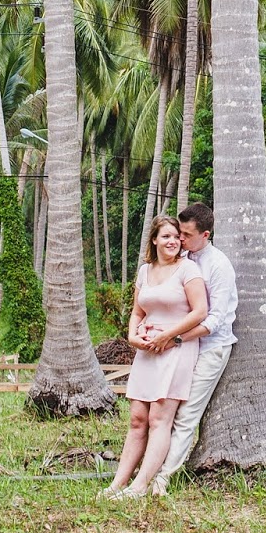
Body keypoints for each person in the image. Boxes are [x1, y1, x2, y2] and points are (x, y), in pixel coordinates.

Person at [104, 215, 207, 498]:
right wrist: (132, 335)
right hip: (146, 350)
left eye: (176, 236)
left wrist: (168, 336)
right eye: (166, 236)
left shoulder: (188, 269)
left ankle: (140, 486)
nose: (173, 241)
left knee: (159, 419)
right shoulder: (145, 271)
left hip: (176, 347)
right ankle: (118, 483)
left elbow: (200, 312)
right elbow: (138, 311)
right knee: (138, 418)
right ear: (154, 240)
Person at [149, 201, 237, 495]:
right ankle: (150, 468)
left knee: (187, 415)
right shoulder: (183, 258)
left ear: (206, 235)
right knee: (165, 410)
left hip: (210, 347)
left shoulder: (219, 266)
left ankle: (162, 479)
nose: (180, 239)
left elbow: (215, 320)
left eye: (186, 234)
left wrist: (174, 338)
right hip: (183, 346)